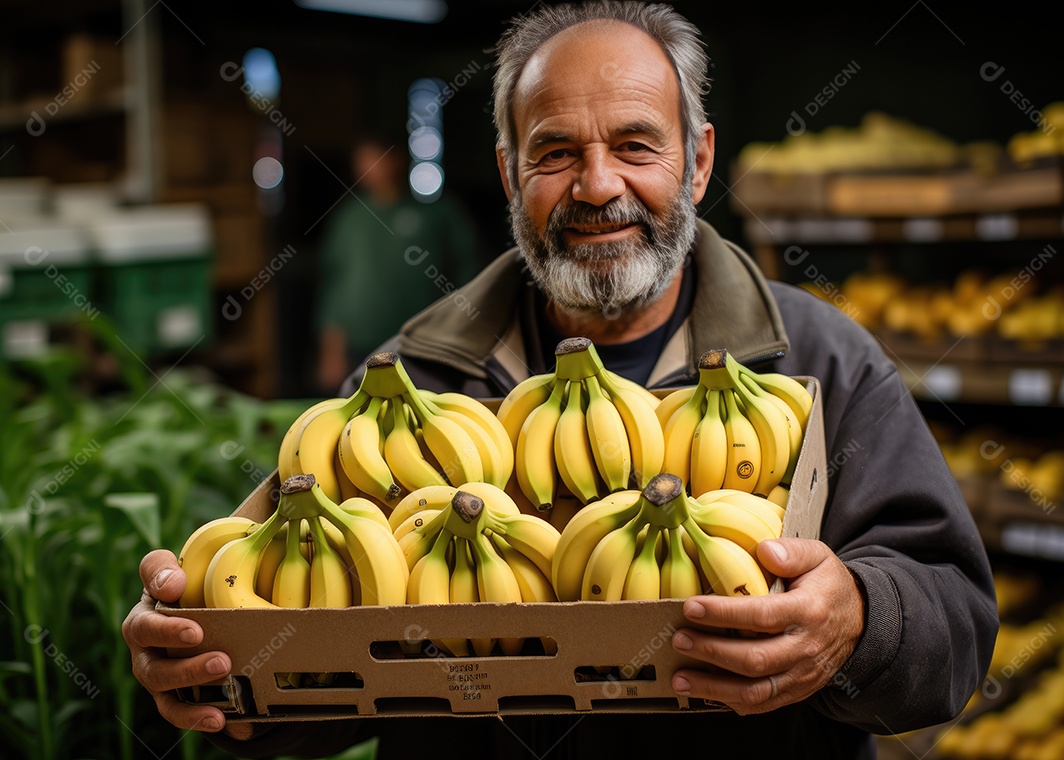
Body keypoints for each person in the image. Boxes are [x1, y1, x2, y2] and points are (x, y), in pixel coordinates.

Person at [123, 3, 997, 758]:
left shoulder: (816, 359)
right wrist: (215, 677)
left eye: (635, 144)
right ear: (509, 175)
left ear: (696, 162)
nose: (598, 184)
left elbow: (956, 622)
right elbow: (324, 656)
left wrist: (860, 620)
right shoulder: (406, 389)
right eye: (554, 153)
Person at [315, 132, 482, 394]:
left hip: (422, 345)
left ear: (396, 159)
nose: (364, 168)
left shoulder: (438, 214)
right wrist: (331, 351)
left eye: (372, 159)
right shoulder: (348, 218)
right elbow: (334, 286)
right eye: (360, 160)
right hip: (361, 346)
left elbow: (470, 277)